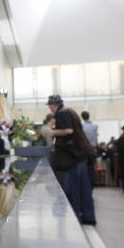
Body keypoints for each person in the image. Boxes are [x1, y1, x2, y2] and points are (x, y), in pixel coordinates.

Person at [47, 95, 96, 225]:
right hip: (81, 155)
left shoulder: (61, 113)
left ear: (53, 105)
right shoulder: (71, 111)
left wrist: (53, 133)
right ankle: (88, 216)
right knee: (84, 189)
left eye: (50, 106)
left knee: (72, 190)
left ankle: (75, 218)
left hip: (72, 156)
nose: (50, 109)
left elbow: (68, 131)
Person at [81, 111, 98, 188]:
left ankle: (85, 186)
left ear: (82, 117)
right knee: (91, 168)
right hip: (93, 149)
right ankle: (92, 184)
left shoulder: (81, 125)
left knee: (84, 168)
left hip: (84, 149)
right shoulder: (95, 125)